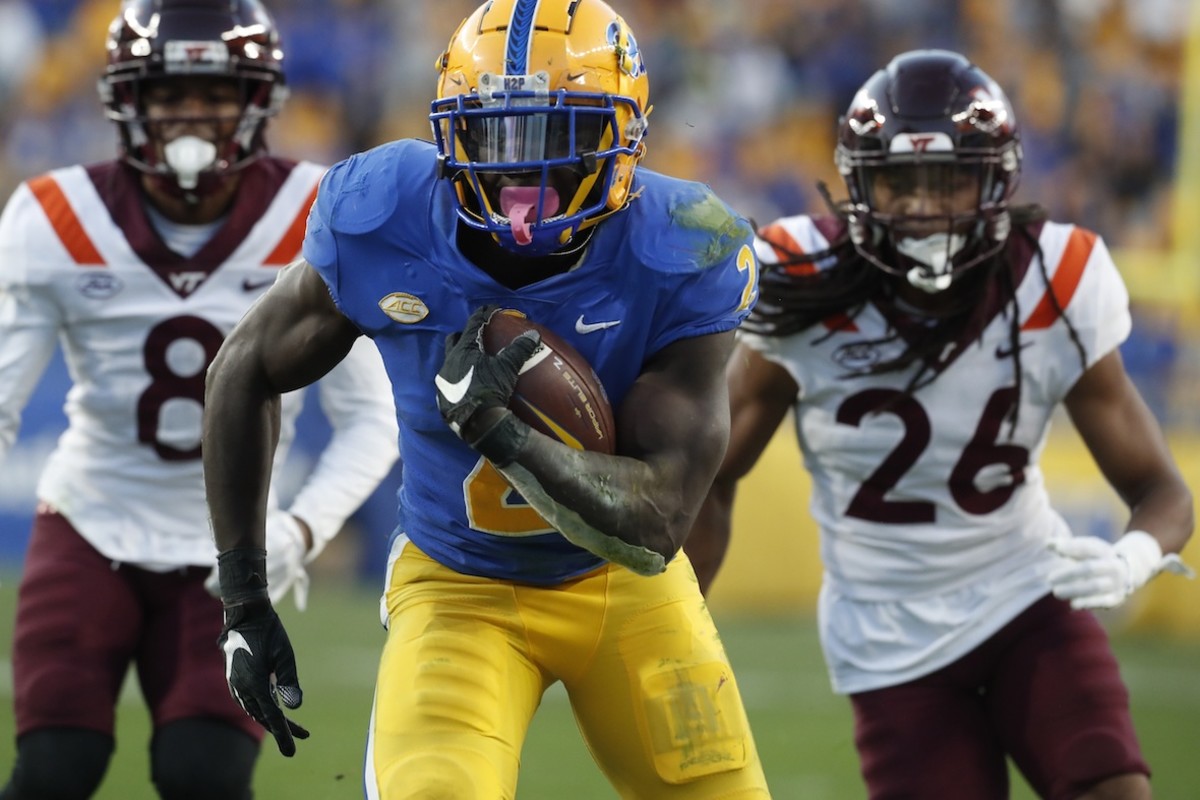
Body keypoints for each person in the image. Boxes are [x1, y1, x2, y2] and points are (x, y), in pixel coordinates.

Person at [202, 0, 772, 797]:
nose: (521, 169)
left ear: (626, 134)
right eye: (495, 134)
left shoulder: (686, 244)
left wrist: (507, 437)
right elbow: (241, 370)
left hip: (619, 581)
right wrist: (244, 602)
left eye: (560, 134)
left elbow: (659, 520)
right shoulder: (387, 216)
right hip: (456, 584)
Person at [685, 49, 1195, 800]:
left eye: (948, 178)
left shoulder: (1054, 277)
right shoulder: (803, 282)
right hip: (889, 637)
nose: (924, 206)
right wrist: (678, 625)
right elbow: (712, 469)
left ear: (995, 181)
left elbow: (1162, 490)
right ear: (860, 184)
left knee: (1114, 790)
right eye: (901, 181)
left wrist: (1133, 557)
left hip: (1028, 593)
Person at [0, 1, 399, 798]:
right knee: (54, 766)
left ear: (258, 102)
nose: (191, 114)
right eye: (169, 94)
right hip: (88, 520)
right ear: (126, 101)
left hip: (232, 548)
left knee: (204, 773)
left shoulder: (318, 213)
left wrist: (300, 528)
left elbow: (371, 418)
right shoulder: (53, 218)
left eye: (215, 93)